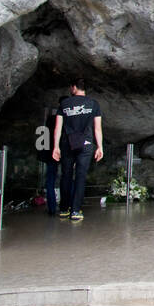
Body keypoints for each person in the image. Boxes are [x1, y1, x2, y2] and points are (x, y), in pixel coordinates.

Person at [51, 78, 104, 222]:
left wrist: (55, 147)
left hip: (67, 143)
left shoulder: (64, 104)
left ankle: (63, 209)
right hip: (85, 143)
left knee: (66, 175)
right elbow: (97, 128)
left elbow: (58, 127)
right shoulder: (93, 104)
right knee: (81, 176)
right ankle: (76, 210)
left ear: (74, 88)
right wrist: (100, 147)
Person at [37, 96, 65, 215]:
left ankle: (52, 207)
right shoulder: (68, 118)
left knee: (50, 179)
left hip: (50, 152)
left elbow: (43, 135)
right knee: (67, 178)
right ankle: (66, 205)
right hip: (64, 151)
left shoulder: (49, 119)